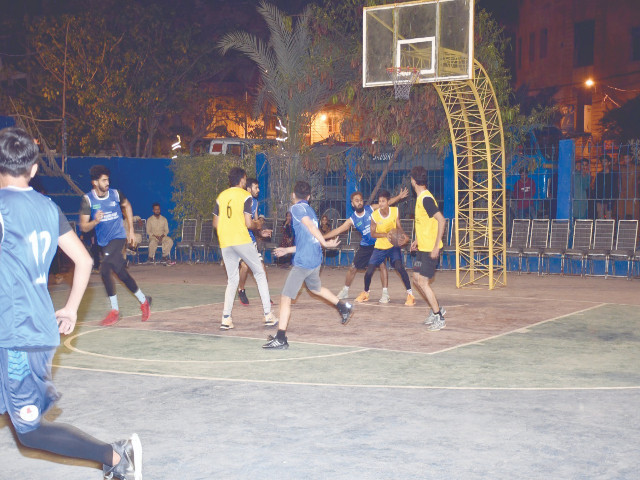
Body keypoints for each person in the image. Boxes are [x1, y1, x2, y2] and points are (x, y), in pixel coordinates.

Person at [0, 127, 141, 480]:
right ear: (33, 170)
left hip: (17, 333)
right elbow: (84, 260)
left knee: (30, 431)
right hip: (31, 325)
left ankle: (114, 456)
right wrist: (71, 308)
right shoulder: (48, 208)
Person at [263, 181, 354, 349]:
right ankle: (343, 306)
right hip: (314, 258)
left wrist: (325, 243)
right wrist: (287, 250)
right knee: (315, 289)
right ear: (309, 197)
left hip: (304, 262)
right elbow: (308, 240)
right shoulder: (311, 211)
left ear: (293, 195)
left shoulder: (296, 209)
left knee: (285, 297)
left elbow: (311, 228)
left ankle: (281, 338)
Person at [79, 165, 151, 326]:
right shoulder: (88, 200)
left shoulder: (116, 194)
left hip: (118, 237)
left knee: (105, 268)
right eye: (104, 180)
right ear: (95, 182)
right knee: (120, 273)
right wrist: (95, 221)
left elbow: (127, 206)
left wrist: (131, 231)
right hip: (103, 242)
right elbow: (84, 227)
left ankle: (115, 311)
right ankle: (144, 300)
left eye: (108, 180)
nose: (107, 183)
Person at [213, 167, 277, 329]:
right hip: (241, 239)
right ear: (242, 180)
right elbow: (249, 223)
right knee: (260, 273)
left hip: (225, 242)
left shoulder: (221, 197)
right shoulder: (245, 196)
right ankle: (268, 315)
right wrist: (258, 224)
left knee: (232, 280)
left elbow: (215, 224)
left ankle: (226, 319)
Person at [324, 188, 408, 303]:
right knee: (353, 268)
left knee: (382, 266)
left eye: (361, 200)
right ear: (353, 204)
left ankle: (385, 294)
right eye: (356, 200)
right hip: (365, 246)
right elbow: (338, 230)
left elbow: (386, 203)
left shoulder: (371, 209)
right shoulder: (352, 219)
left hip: (378, 243)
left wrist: (399, 197)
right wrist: (322, 237)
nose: (359, 202)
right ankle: (345, 290)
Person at [354, 190, 415, 306]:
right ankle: (366, 293)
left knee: (399, 267)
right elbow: (373, 234)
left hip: (393, 246)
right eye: (379, 201)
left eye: (383, 201)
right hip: (380, 247)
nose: (381, 204)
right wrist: (385, 235)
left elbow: (399, 227)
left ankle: (410, 295)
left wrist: (405, 237)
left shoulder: (395, 211)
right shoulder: (375, 215)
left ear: (388, 202)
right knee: (369, 271)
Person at [409, 166, 447, 331]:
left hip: (430, 250)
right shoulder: (421, 198)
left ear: (413, 181)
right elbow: (427, 223)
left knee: (423, 282)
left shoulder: (425, 199)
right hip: (422, 248)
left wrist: (436, 246)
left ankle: (439, 316)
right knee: (416, 279)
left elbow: (441, 220)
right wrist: (417, 240)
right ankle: (435, 309)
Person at [237, 178, 272, 305]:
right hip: (239, 240)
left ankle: (266, 295)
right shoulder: (240, 202)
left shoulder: (255, 203)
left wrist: (262, 232)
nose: (258, 190)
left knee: (262, 267)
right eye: (256, 187)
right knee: (245, 266)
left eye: (258, 187)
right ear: (248, 189)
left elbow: (256, 224)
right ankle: (241, 289)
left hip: (250, 240)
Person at [617, 152, 639, 220]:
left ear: (631, 158)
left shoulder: (637, 169)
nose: (626, 160)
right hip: (623, 195)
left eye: (627, 158)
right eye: (624, 158)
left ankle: (637, 230)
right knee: (622, 214)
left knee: (635, 215)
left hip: (634, 194)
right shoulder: (622, 169)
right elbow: (619, 181)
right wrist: (620, 192)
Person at [594, 155, 618, 219]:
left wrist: (613, 198)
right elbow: (596, 186)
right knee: (600, 216)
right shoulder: (599, 174)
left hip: (609, 199)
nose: (603, 163)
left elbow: (615, 187)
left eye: (605, 161)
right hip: (600, 199)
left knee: (609, 216)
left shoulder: (613, 174)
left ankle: (608, 229)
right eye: (602, 162)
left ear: (609, 163)